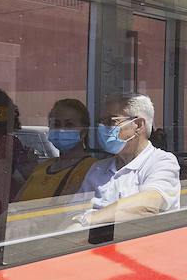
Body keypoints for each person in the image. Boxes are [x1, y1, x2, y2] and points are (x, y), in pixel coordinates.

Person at [69, 93, 180, 227]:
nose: (102, 127)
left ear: (138, 125)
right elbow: (72, 211)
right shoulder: (98, 168)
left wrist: (87, 220)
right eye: (101, 121)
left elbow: (148, 206)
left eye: (110, 121)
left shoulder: (162, 162)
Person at [15, 98, 102, 202]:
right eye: (56, 124)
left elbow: (64, 207)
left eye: (69, 124)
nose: (61, 130)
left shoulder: (91, 168)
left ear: (83, 131)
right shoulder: (43, 167)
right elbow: (16, 204)